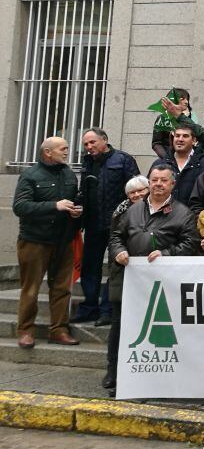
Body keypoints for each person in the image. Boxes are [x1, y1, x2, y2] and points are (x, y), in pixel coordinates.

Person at [106, 167, 199, 397]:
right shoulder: (132, 210)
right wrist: (118, 251)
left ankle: (155, 379)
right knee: (121, 329)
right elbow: (116, 236)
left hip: (161, 287)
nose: (158, 184)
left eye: (163, 180)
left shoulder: (183, 213)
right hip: (129, 282)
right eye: (154, 180)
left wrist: (166, 254)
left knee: (157, 335)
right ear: (149, 183)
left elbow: (190, 244)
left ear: (172, 184)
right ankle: (116, 374)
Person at [12, 137, 82, 349]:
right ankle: (25, 331)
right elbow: (20, 207)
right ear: (48, 152)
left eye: (67, 148)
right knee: (31, 288)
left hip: (63, 241)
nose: (67, 152)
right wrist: (55, 206)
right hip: (34, 241)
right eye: (63, 149)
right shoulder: (30, 175)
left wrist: (75, 210)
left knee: (62, 288)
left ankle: (59, 330)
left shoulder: (69, 174)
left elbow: (71, 202)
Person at [72, 128, 139, 326]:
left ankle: (107, 310)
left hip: (118, 225)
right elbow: (83, 191)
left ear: (105, 140)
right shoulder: (87, 162)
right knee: (89, 267)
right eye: (85, 144)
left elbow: (135, 192)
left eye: (92, 142)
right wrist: (78, 207)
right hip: (92, 223)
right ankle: (89, 307)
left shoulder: (123, 160)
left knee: (114, 268)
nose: (89, 147)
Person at [100, 175, 149, 395]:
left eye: (141, 191)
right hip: (124, 275)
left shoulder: (159, 210)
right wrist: (119, 253)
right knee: (119, 325)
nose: (137, 195)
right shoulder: (120, 213)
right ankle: (113, 370)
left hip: (150, 277)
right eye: (132, 192)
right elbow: (114, 241)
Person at [149, 126, 204, 206]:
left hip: (194, 216)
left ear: (194, 141)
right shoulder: (159, 164)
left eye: (185, 136)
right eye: (177, 136)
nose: (180, 139)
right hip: (163, 216)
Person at [152, 88, 191, 158]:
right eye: (182, 99)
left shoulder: (191, 117)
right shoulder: (162, 118)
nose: (186, 102)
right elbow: (156, 143)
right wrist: (167, 158)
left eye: (187, 99)